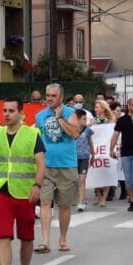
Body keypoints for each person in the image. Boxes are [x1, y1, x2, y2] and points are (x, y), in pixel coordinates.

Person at [0, 99, 46, 265]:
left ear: (20, 113)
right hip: (2, 191)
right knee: (3, 235)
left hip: (25, 192)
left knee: (26, 237)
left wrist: (37, 185)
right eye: (4, 111)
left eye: (11, 111)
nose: (7, 114)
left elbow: (41, 164)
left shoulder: (32, 134)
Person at [34, 83, 81, 253]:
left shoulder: (70, 113)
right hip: (46, 165)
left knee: (64, 205)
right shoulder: (40, 116)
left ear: (60, 97)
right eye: (48, 95)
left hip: (67, 165)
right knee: (45, 202)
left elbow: (75, 134)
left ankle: (62, 239)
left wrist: (60, 118)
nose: (49, 98)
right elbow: (38, 139)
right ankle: (45, 240)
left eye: (53, 96)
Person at [92, 99, 116, 206]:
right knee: (95, 172)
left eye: (97, 107)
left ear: (103, 108)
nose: (95, 109)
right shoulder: (93, 121)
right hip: (96, 149)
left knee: (107, 173)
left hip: (106, 149)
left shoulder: (110, 121)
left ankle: (104, 198)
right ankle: (98, 195)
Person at [74, 109, 94, 212]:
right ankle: (75, 198)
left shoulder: (87, 130)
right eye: (83, 119)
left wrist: (93, 154)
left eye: (86, 119)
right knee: (74, 180)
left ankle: (81, 202)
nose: (86, 121)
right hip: (73, 158)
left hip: (84, 157)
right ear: (77, 119)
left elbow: (90, 142)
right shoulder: (71, 129)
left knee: (82, 179)